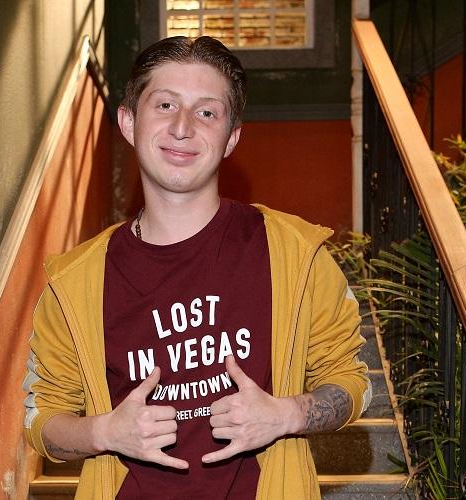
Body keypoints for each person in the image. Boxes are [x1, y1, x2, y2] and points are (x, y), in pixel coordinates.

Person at [23, 35, 370, 500]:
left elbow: (353, 382)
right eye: (165, 105)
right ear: (128, 122)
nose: (183, 127)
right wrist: (105, 432)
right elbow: (42, 420)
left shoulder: (296, 254)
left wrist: (284, 415)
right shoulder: (74, 283)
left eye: (207, 112)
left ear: (231, 138)